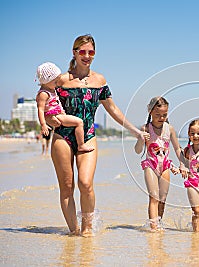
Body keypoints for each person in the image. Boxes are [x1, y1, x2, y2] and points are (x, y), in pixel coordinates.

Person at [46, 34, 147, 237]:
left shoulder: (99, 80)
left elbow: (114, 110)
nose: (86, 56)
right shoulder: (61, 80)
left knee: (85, 183)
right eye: (82, 52)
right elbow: (45, 101)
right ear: (74, 52)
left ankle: (88, 229)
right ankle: (74, 231)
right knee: (67, 187)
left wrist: (135, 131)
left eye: (90, 52)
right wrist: (48, 121)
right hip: (62, 137)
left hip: (88, 135)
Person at [134, 96, 183, 231]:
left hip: (165, 166)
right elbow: (138, 151)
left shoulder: (170, 129)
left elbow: (177, 148)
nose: (161, 118)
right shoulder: (145, 128)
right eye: (157, 115)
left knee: (162, 198)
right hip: (150, 165)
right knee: (154, 197)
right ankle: (153, 226)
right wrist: (140, 139)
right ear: (150, 112)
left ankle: (159, 223)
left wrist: (183, 164)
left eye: (164, 115)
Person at [36, 62, 94, 153]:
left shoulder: (50, 89)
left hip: (57, 115)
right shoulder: (43, 94)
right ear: (47, 80)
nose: (57, 84)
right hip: (54, 115)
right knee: (79, 122)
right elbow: (40, 109)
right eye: (55, 81)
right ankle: (81, 145)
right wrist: (43, 124)